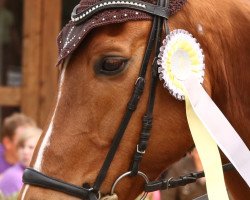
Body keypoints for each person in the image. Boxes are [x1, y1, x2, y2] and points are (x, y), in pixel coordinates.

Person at [0, 126, 42, 197]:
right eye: (22, 147)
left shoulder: (36, 174)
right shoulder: (16, 176)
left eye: (31, 147)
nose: (25, 151)